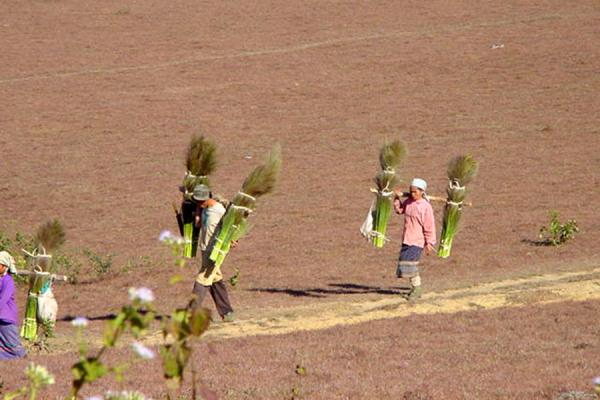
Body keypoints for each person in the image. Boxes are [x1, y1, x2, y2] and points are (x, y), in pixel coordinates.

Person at [189, 184, 235, 322]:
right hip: (204, 249)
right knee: (215, 279)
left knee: (203, 279)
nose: (199, 203)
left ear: (207, 197)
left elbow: (231, 225)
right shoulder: (204, 209)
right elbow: (198, 225)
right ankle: (227, 313)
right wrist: (197, 211)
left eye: (200, 201)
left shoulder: (218, 210)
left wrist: (233, 239)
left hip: (214, 251)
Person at [393, 178, 436, 301]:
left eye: (415, 192)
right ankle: (414, 288)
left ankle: (417, 290)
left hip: (417, 241)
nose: (412, 194)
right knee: (404, 265)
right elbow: (399, 210)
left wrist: (429, 242)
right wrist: (396, 198)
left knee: (410, 265)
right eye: (411, 192)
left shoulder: (425, 207)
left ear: (422, 191)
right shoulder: (408, 202)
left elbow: (429, 226)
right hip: (407, 239)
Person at [0, 251, 26, 360]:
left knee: (13, 343)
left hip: (6, 316)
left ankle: (23, 358)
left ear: (4, 266)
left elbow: (3, 299)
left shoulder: (8, 280)